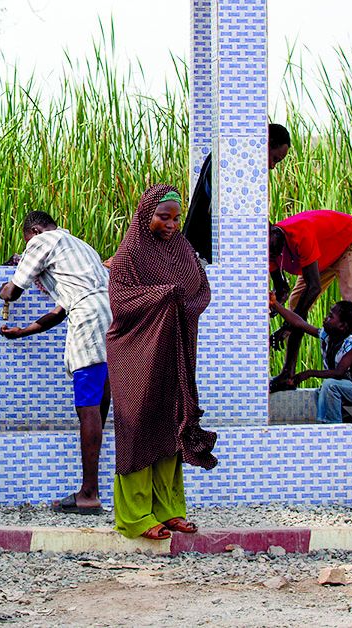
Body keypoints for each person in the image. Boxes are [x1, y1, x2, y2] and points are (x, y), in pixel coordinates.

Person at [106, 185, 217, 540]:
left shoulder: (183, 250)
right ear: (145, 215)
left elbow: (201, 290)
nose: (170, 225)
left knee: (172, 424)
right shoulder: (129, 256)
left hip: (176, 350)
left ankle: (170, 509)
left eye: (175, 218)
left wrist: (180, 303)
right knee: (138, 428)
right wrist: (163, 296)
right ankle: (136, 516)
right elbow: (121, 303)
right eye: (162, 217)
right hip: (135, 352)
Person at [0, 210, 112, 515]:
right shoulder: (80, 247)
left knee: (86, 407)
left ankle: (89, 494)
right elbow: (60, 310)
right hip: (110, 315)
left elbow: (13, 290)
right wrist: (25, 331)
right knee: (99, 405)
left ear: (34, 231)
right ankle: (92, 490)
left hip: (88, 319)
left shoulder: (44, 239)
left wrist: (5, 289)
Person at [269, 209, 352, 387]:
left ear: (274, 231)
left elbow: (314, 287)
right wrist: (273, 306)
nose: (271, 253)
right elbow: (282, 289)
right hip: (321, 256)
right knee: (296, 303)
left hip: (348, 243)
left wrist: (287, 326)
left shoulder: (300, 234)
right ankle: (287, 374)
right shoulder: (268, 250)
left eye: (271, 246)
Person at [183, 123, 291, 264]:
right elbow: (234, 211)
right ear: (267, 143)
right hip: (200, 250)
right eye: (275, 159)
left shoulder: (229, 157)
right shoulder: (231, 160)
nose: (272, 166)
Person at [269, 298, 352, 423]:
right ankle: (340, 421)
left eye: (331, 316)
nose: (326, 318)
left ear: (342, 326)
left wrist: (308, 373)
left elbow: (338, 373)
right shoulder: (328, 336)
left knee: (330, 386)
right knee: (319, 393)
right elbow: (299, 323)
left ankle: (330, 427)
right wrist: (275, 304)